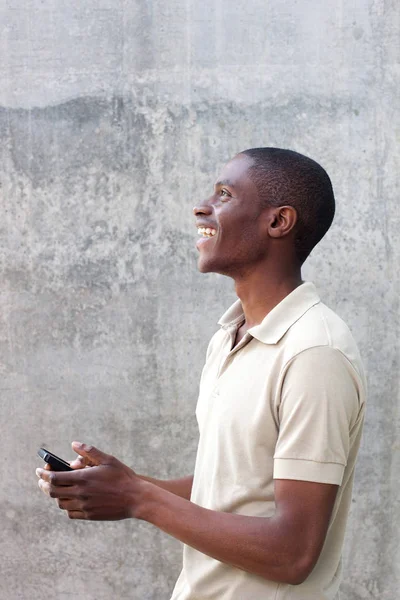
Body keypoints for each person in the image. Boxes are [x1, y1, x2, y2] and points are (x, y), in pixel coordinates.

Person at [36, 148, 366, 599]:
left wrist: (138, 498)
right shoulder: (229, 338)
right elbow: (235, 486)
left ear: (278, 222)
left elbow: (292, 554)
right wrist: (123, 483)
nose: (201, 207)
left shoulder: (314, 352)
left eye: (224, 194)